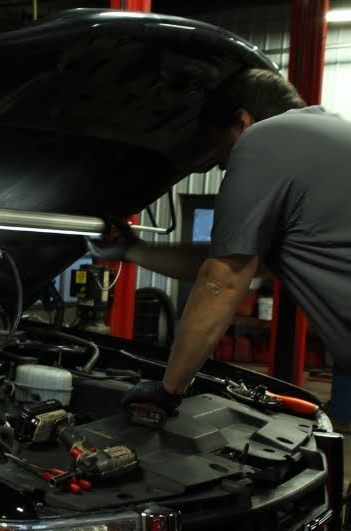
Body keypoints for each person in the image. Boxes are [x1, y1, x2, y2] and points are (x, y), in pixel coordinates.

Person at [89, 68, 351, 417]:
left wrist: (168, 389)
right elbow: (229, 263)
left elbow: (223, 280)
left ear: (242, 122)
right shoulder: (327, 133)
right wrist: (134, 251)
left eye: (218, 146)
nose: (218, 164)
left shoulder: (265, 138)